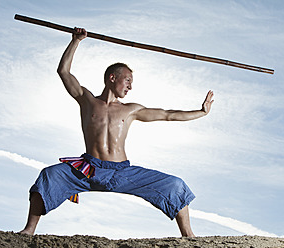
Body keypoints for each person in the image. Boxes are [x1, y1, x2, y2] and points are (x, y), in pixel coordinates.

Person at [20, 28, 214, 237]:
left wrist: (201, 112)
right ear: (112, 78)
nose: (130, 86)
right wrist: (76, 41)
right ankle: (29, 230)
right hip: (88, 169)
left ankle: (189, 236)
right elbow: (64, 72)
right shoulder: (87, 100)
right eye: (128, 80)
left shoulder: (130, 110)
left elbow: (167, 114)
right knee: (49, 175)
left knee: (175, 184)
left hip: (122, 172)